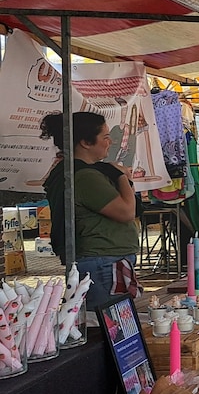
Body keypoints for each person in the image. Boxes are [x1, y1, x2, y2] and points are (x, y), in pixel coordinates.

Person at [40, 112, 139, 311]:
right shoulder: (85, 177)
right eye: (105, 137)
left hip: (101, 260)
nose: (110, 142)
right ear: (86, 142)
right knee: (109, 327)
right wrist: (121, 176)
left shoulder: (76, 171)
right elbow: (127, 211)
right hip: (101, 262)